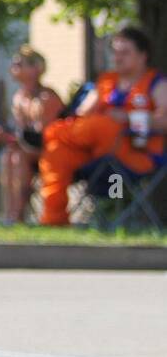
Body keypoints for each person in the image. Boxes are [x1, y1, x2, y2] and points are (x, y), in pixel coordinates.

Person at [38, 26, 166, 226]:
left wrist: (128, 117)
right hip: (95, 152)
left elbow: (164, 120)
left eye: (125, 53)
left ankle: (52, 133)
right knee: (56, 152)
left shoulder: (156, 83)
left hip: (135, 153)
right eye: (115, 52)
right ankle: (54, 219)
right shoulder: (107, 81)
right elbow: (82, 114)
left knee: (104, 124)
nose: (117, 58)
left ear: (143, 56)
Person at [0, 46, 63, 224]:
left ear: (36, 69)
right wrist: (2, 136)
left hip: (55, 153)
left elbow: (43, 138)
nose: (14, 67)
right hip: (29, 152)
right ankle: (10, 214)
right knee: (10, 155)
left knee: (17, 156)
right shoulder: (19, 98)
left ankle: (16, 215)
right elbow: (21, 135)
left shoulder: (46, 98)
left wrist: (9, 138)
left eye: (20, 64)